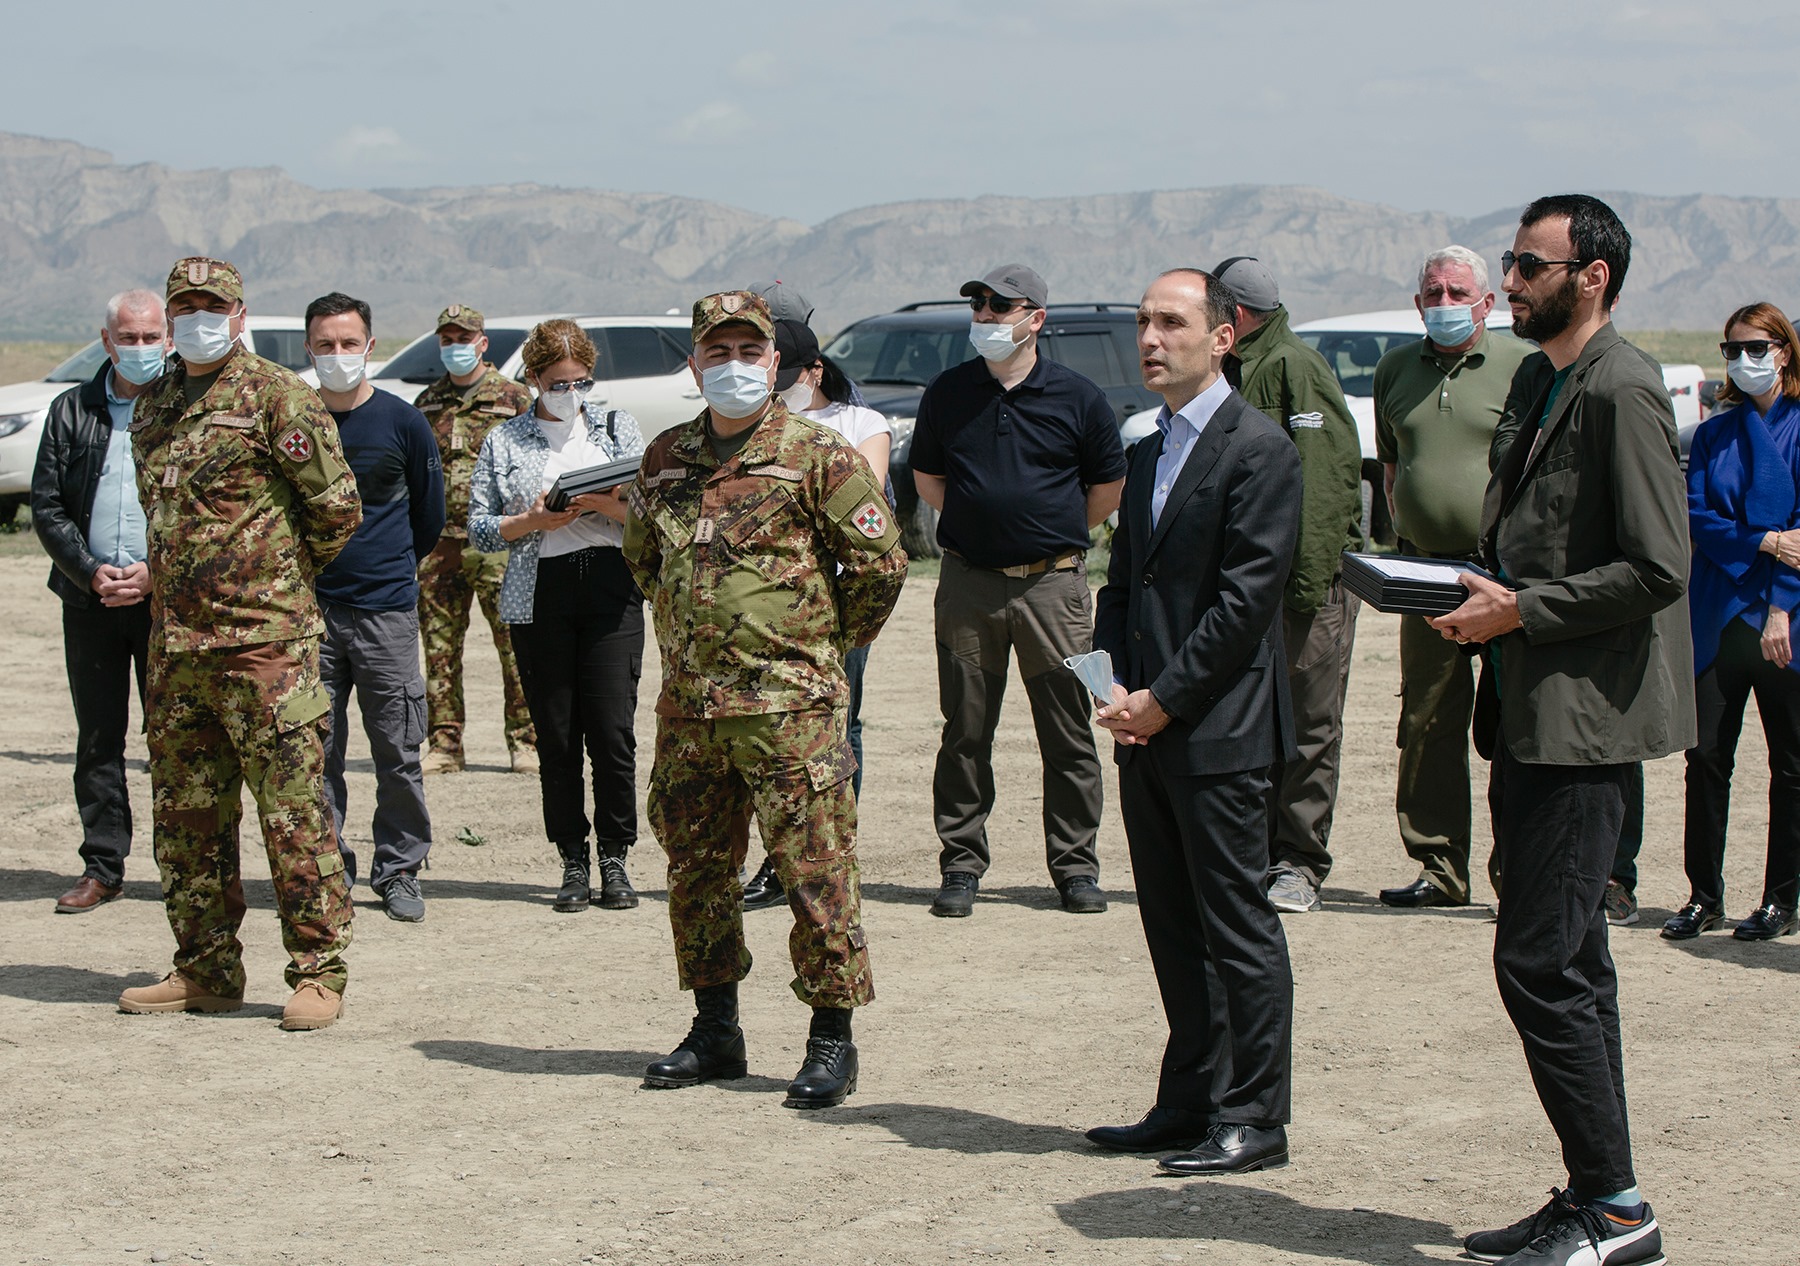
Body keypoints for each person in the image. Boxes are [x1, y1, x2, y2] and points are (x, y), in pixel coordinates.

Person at [1432, 195, 1686, 1264]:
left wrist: (1522, 611)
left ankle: (1619, 1212)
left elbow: (1658, 566)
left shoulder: (1623, 387)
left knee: (1539, 964)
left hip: (1584, 727)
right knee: (1571, 960)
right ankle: (1597, 1192)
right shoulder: (1543, 380)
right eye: (1511, 260)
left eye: (1530, 265)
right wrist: (1470, 593)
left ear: (1592, 277)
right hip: (1528, 712)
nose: (1511, 281)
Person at [624, 291, 906, 1109]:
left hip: (791, 713)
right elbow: (644, 559)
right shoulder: (665, 457)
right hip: (691, 712)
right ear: (695, 365)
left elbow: (881, 565)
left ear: (776, 363)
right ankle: (716, 1030)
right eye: (718, 353)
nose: (735, 366)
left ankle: (830, 1040)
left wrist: (820, 648)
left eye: (750, 353)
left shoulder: (818, 454)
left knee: (815, 873)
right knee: (697, 873)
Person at [1086, 268, 1301, 1175]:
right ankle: (1188, 1102)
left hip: (1219, 729)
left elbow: (1246, 604)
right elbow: (1123, 584)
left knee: (1235, 926)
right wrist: (1112, 683)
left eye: (1171, 323)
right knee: (1172, 926)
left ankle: (1254, 1114)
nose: (1150, 338)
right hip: (1146, 728)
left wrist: (1165, 698)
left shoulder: (1259, 450)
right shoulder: (1148, 449)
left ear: (1222, 338)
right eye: (1143, 322)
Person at [117, 256, 362, 1031]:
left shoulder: (277, 397)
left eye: (212, 307)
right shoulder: (153, 405)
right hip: (177, 650)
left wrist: (271, 582)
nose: (199, 320)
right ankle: (206, 969)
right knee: (186, 819)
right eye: (185, 308)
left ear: (239, 316)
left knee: (293, 814)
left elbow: (337, 510)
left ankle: (318, 972)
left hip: (267, 649)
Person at [910, 263, 1126, 918]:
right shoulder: (949, 392)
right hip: (969, 586)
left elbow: (1106, 488)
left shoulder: (1078, 397)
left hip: (1053, 590)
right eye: (978, 306)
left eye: (1000, 307)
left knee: (1068, 734)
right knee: (965, 731)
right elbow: (929, 479)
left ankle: (1076, 869)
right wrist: (984, 529)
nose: (985, 316)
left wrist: (1048, 535)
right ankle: (961, 865)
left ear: (1035, 319)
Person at [1371, 247, 1531, 910]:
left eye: (1457, 293)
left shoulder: (1524, 366)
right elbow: (1391, 463)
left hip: (1501, 573)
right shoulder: (1394, 369)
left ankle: (1519, 872)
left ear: (1487, 303)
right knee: (1428, 718)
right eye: (1433, 293)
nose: (1444, 303)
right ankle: (1440, 867)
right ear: (1418, 304)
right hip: (1424, 570)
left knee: (1516, 720)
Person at [469, 320, 646, 913]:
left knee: (613, 733)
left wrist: (604, 505)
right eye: (558, 383)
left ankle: (615, 858)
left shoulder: (617, 427)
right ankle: (572, 858)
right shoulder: (504, 440)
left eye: (581, 382)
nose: (571, 393)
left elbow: (652, 512)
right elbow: (480, 528)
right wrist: (533, 521)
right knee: (558, 735)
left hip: (610, 588)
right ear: (534, 379)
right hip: (540, 591)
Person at [1212, 257, 1363, 914]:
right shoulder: (1232, 367)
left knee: (1308, 723)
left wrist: (1305, 588)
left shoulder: (1294, 368)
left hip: (1301, 588)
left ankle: (1299, 862)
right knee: (1249, 721)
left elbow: (1327, 484)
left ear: (1238, 315)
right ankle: (1253, 854)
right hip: (1247, 586)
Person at [737, 319, 893, 913]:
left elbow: (864, 515)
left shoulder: (858, 426)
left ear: (813, 372)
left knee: (834, 731)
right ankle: (772, 859)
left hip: (831, 609)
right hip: (760, 616)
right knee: (758, 734)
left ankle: (827, 853)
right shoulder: (750, 423)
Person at [304, 292, 444, 922]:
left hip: (386, 612)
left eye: (348, 343)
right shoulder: (295, 421)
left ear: (369, 347)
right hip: (311, 614)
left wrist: (385, 565)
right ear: (309, 349)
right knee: (316, 751)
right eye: (325, 344)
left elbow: (428, 517)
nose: (338, 354)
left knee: (398, 750)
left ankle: (400, 869)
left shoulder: (402, 422)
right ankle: (327, 867)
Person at [1664, 301, 1800, 943]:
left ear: (1784, 351)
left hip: (1784, 619)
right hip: (1719, 612)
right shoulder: (1713, 434)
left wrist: (1780, 608)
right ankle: (1704, 896)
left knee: (1790, 764)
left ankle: (1781, 898)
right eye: (1732, 349)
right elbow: (1698, 517)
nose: (1744, 359)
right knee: (1707, 757)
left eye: (1756, 347)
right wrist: (1766, 541)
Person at [30, 290, 166, 913]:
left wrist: (156, 572)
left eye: (150, 337)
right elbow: (48, 505)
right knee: (98, 737)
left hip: (165, 601)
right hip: (91, 601)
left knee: (177, 739)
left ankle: (186, 868)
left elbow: (208, 508)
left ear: (168, 339)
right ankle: (103, 866)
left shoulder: (186, 408)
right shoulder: (71, 410)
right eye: (127, 338)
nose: (139, 348)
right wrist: (88, 573)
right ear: (107, 341)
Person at [414, 304, 537, 776]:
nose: (455, 347)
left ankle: (525, 743)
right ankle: (445, 745)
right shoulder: (428, 402)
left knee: (515, 646)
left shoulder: (513, 398)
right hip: (440, 545)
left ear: (482, 343)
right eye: (447, 340)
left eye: (463, 339)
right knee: (440, 649)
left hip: (499, 542)